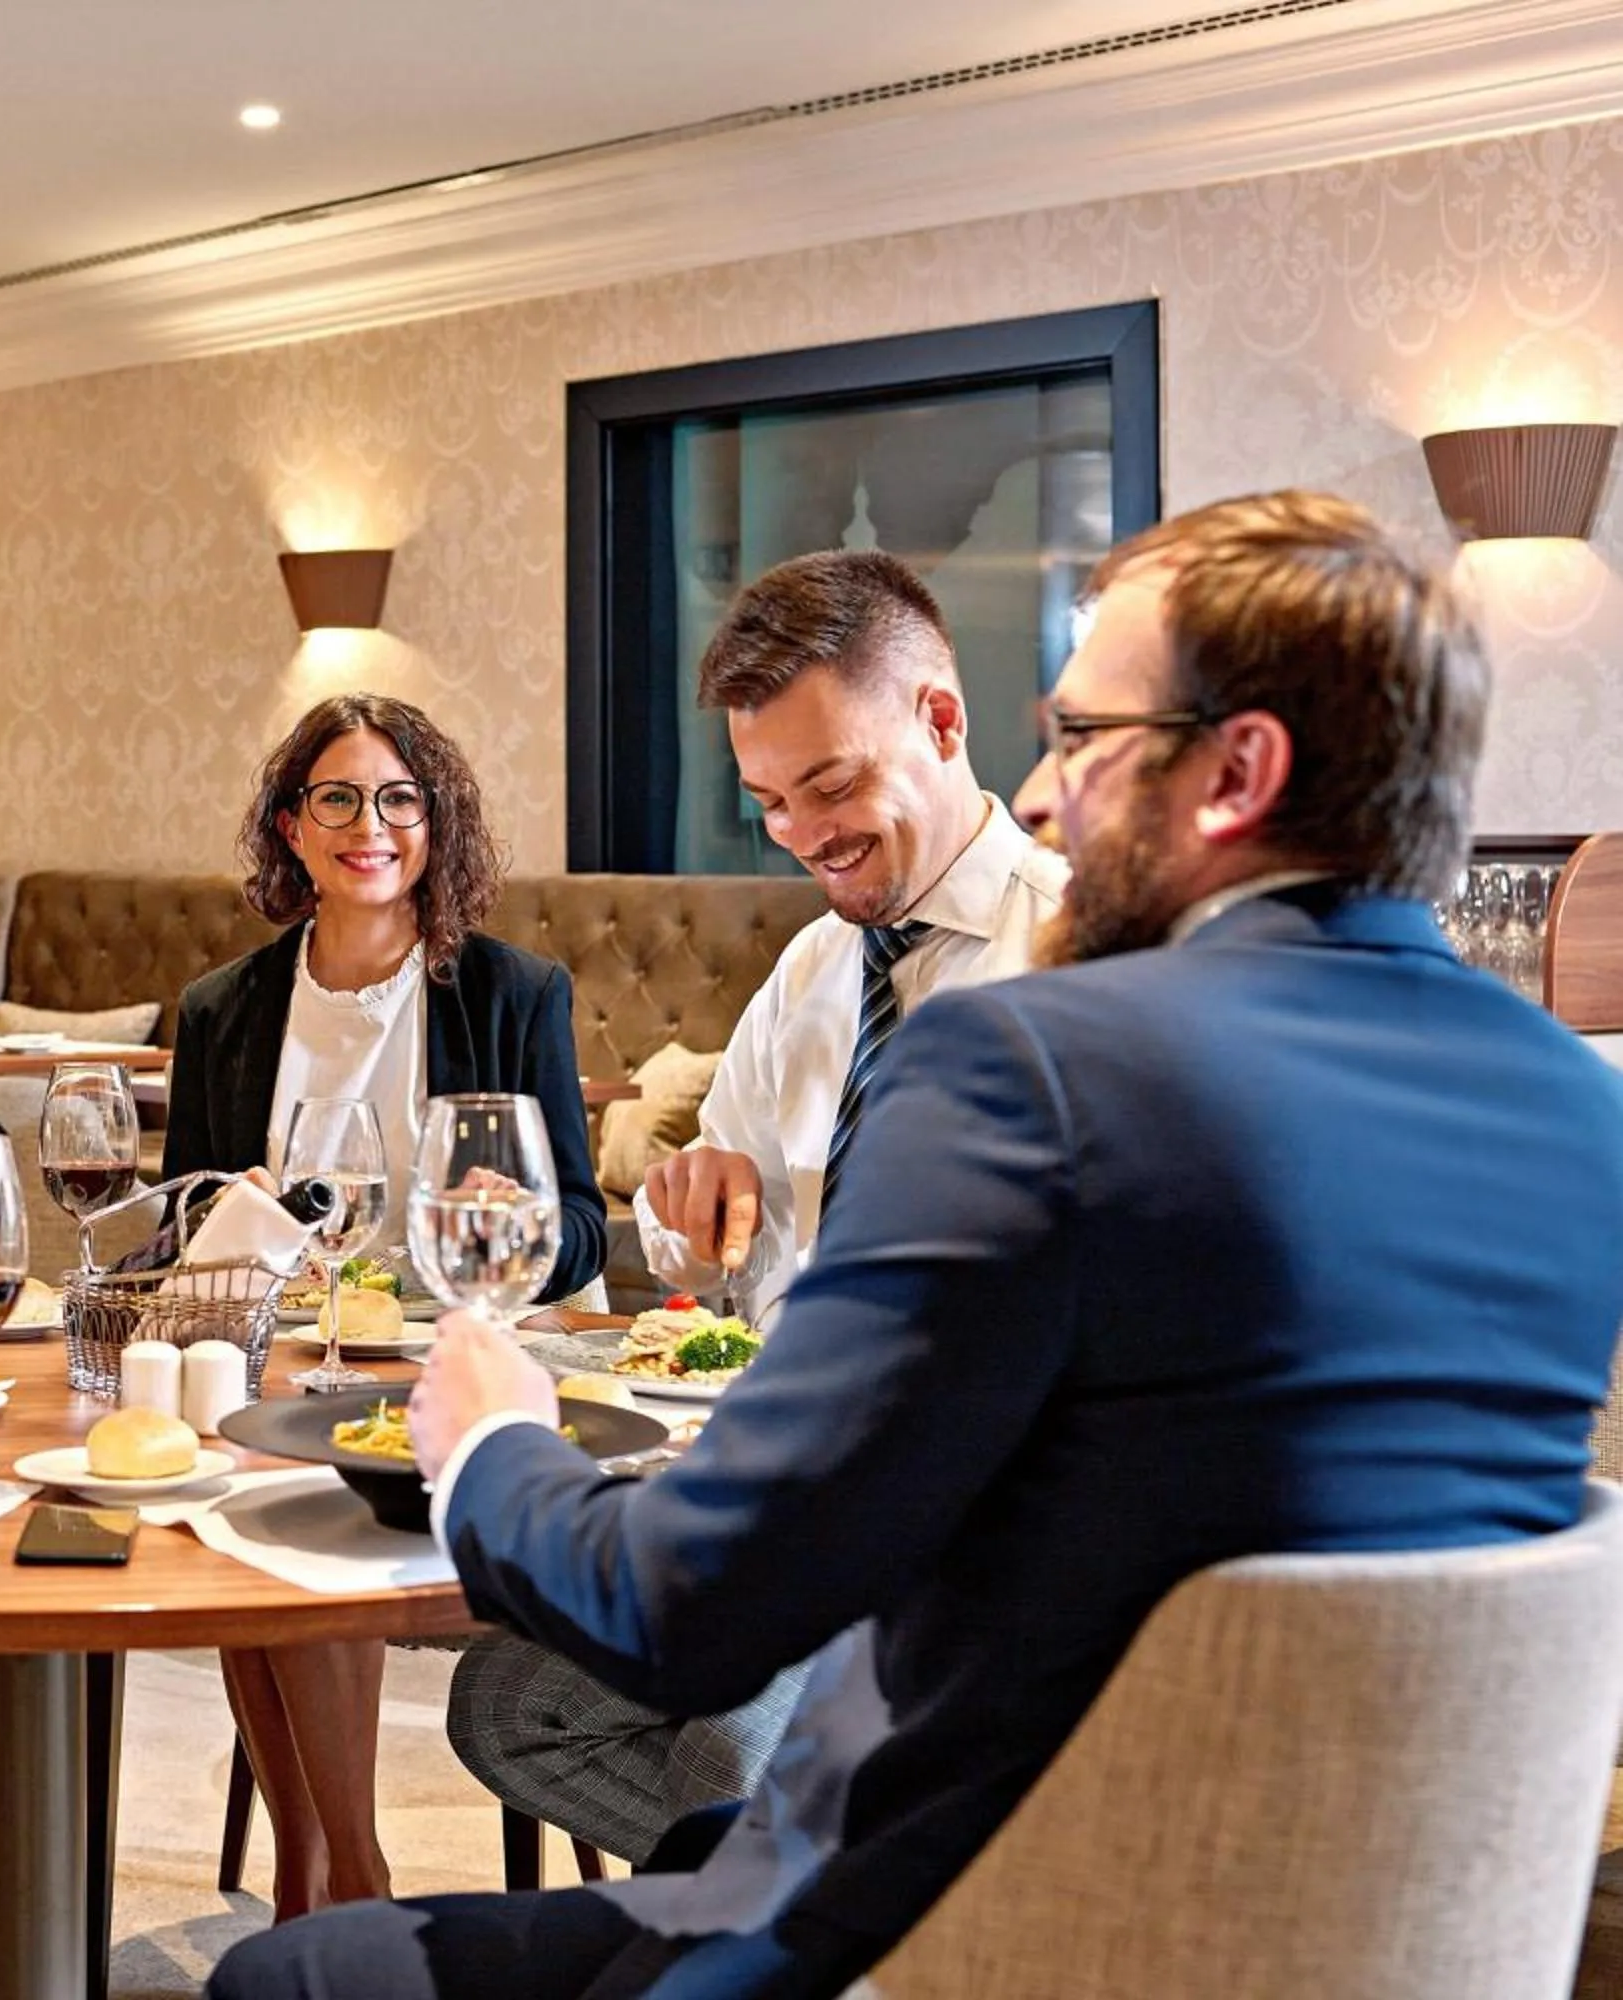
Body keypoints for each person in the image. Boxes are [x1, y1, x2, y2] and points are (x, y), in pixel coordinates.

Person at [210, 489, 1623, 2000]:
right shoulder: (1578, 1114)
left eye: (1086, 739)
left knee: (292, 1981)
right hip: (1332, 1924)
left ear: (1239, 770)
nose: (1045, 792)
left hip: (976, 1924)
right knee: (701, 1830)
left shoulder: (1042, 1062)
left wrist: (494, 1444)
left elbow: (682, 1613)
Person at [446, 550, 1067, 1870]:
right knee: (510, 1704)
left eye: (832, 785)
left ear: (942, 722)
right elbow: (699, 1239)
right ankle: (804, 1912)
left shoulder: (1077, 955)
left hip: (951, 1534)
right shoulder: (813, 969)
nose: (804, 836)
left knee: (724, 1751)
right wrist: (687, 1202)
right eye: (769, 801)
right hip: (767, 1483)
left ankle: (768, 1916)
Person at [163, 692, 608, 1918]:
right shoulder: (222, 1009)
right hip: (288, 1366)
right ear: (292, 827)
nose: (374, 825)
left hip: (458, 1373)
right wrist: (231, 1213)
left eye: (401, 798)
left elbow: (580, 1235)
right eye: (340, 798)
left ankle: (339, 1873)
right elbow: (174, 1244)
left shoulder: (514, 994)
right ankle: (321, 1866)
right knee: (228, 1491)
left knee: (298, 1510)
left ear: (436, 821)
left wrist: (504, 1222)